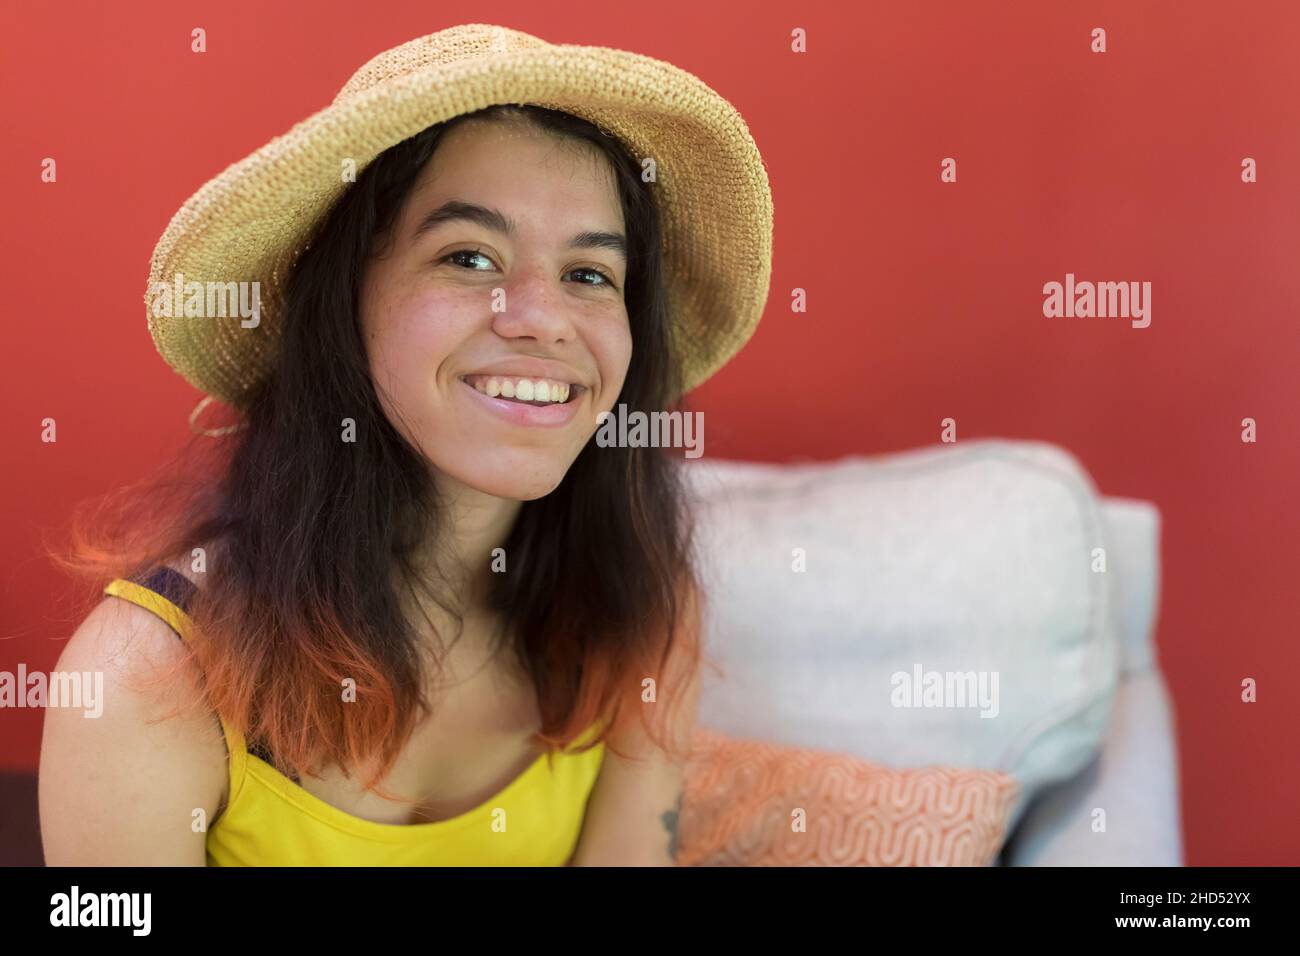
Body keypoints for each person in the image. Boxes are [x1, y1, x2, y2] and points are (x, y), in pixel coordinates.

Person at [38, 23, 773, 866]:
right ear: (345, 303)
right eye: (468, 256)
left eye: (588, 275)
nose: (540, 316)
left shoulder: (644, 603)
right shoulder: (143, 677)